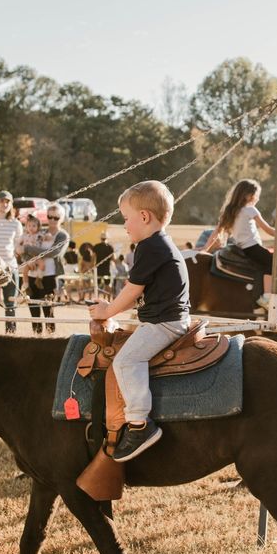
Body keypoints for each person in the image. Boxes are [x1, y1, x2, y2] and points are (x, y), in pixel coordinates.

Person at [88, 181, 189, 462]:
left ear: (144, 217)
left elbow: (132, 290)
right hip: (162, 319)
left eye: (126, 219)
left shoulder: (150, 246)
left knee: (126, 361)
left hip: (164, 323)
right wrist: (111, 310)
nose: (125, 226)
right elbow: (136, 295)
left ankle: (139, 425)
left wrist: (107, 312)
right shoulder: (157, 244)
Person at [202, 179, 277, 310]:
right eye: (257, 196)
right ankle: (266, 297)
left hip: (241, 248)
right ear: (249, 196)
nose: (257, 199)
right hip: (252, 247)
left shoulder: (230, 211)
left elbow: (216, 232)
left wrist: (205, 248)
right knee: (274, 264)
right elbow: (268, 230)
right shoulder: (250, 210)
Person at [0, 191, 21, 334]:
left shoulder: (16, 224)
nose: (5, 204)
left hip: (10, 266)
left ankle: (10, 333)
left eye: (8, 202)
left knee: (10, 303)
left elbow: (17, 246)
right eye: (2, 201)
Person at [18, 214, 51, 333]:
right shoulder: (24, 236)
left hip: (37, 256)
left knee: (42, 265)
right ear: (26, 227)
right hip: (28, 257)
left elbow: (46, 237)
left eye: (34, 226)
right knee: (25, 271)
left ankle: (39, 278)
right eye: (29, 226)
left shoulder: (39, 235)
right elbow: (18, 245)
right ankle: (26, 285)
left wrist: (47, 236)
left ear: (38, 227)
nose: (31, 228)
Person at [41, 204, 69, 320]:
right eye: (50, 216)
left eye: (56, 218)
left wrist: (30, 250)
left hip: (51, 274)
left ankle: (50, 332)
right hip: (36, 273)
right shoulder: (40, 232)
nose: (52, 220)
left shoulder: (63, 235)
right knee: (34, 304)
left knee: (48, 306)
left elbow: (54, 252)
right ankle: (36, 332)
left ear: (61, 219)